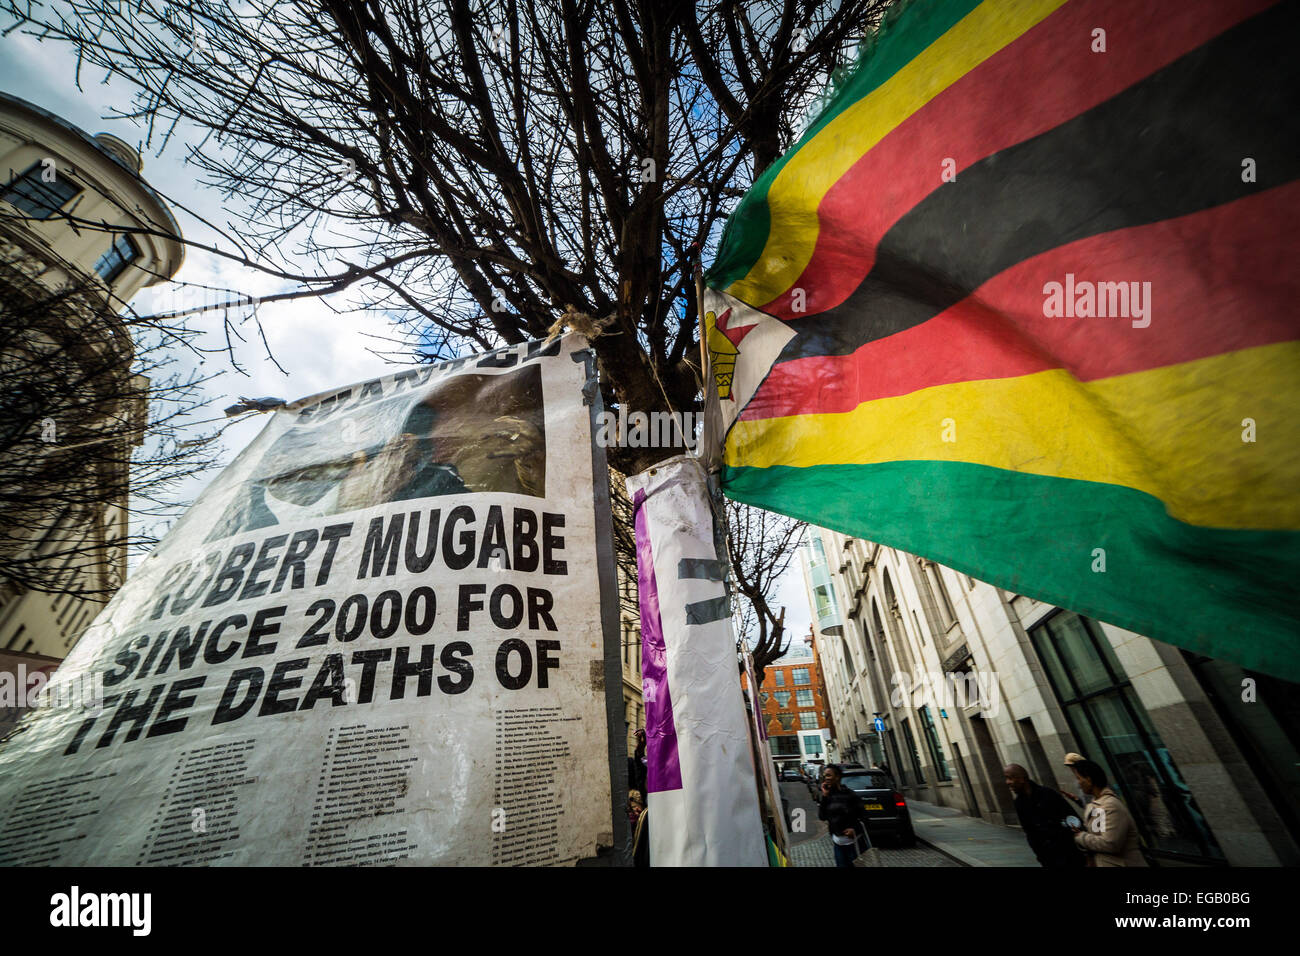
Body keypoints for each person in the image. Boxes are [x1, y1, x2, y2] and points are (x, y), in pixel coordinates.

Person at [1003, 763, 1085, 868]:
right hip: (1048, 858)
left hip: (1070, 854)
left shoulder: (1048, 794)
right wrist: (1041, 856)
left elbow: (1072, 820)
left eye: (1009, 778)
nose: (1007, 782)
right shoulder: (1019, 803)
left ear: (1022, 779)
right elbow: (1029, 832)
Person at [1069, 759, 1147, 867]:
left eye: (1079, 778)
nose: (1078, 784)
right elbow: (1097, 833)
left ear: (1089, 779)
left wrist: (1080, 837)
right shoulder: (1097, 804)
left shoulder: (1110, 805)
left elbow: (1110, 844)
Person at [818, 765, 868, 867]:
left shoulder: (850, 795)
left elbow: (864, 816)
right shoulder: (828, 796)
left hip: (854, 844)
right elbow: (822, 816)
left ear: (837, 777)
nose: (826, 778)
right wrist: (824, 796)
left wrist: (854, 829)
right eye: (824, 776)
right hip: (838, 844)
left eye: (828, 775)